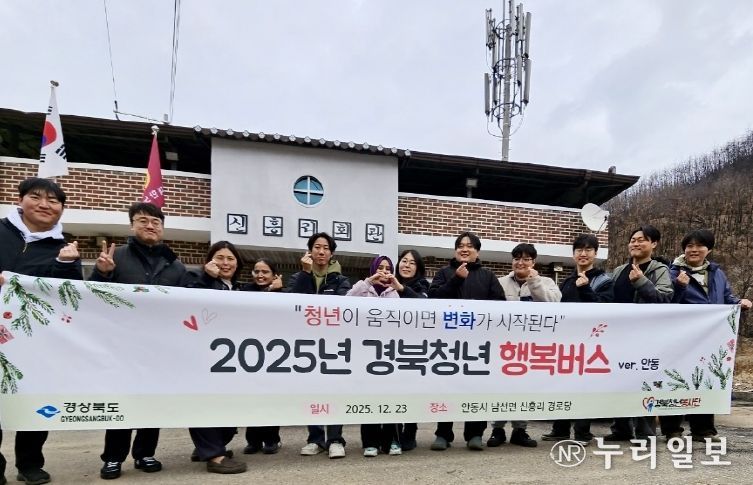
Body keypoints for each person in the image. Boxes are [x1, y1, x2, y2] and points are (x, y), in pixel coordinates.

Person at [90, 202, 187, 480]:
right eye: (143, 220)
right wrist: (102, 273)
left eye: (156, 222)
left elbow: (187, 301)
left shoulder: (175, 264)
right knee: (123, 400)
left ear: (162, 228)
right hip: (122, 344)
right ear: (132, 225)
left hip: (159, 347)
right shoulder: (116, 256)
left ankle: (145, 453)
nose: (150, 226)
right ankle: (113, 457)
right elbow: (94, 296)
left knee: (152, 402)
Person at [0, 177, 82, 485]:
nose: (45, 205)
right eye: (36, 197)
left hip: (34, 337)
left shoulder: (65, 247)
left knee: (35, 399)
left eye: (53, 200)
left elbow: (71, 294)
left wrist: (65, 264)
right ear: (20, 200)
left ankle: (30, 464)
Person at [659, 229, 751, 442]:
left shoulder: (717, 273)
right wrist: (680, 286)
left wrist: (739, 303)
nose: (694, 249)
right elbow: (666, 303)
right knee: (676, 380)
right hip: (680, 339)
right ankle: (672, 429)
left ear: (708, 249)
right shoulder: (672, 273)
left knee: (706, 380)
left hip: (710, 338)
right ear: (684, 249)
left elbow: (726, 297)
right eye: (689, 246)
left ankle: (703, 430)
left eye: (699, 246)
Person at [428, 232, 506, 451]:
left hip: (478, 345)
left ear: (477, 252)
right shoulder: (444, 273)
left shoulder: (488, 276)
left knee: (477, 389)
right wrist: (456, 279)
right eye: (460, 246)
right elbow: (432, 300)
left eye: (470, 246)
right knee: (446, 388)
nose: (464, 249)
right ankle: (443, 433)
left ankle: (475, 434)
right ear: (455, 251)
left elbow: (500, 306)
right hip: (447, 344)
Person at [181, 241, 248, 474]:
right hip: (202, 355)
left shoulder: (238, 288)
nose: (225, 263)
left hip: (229, 357)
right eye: (220, 257)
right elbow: (185, 301)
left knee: (228, 407)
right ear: (209, 260)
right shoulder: (196, 278)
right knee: (205, 403)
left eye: (230, 258)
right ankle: (214, 456)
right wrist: (206, 278)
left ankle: (208, 447)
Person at [540, 234, 613, 445]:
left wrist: (586, 288)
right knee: (563, 386)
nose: (583, 253)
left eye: (588, 249)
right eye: (579, 250)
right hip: (567, 343)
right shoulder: (567, 281)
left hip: (592, 344)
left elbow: (606, 310)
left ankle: (582, 433)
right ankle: (560, 430)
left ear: (595, 254)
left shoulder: (604, 280)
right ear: (573, 254)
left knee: (584, 388)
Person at [285, 232, 351, 459]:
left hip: (333, 346)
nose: (321, 252)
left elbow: (343, 309)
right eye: (317, 247)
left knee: (335, 392)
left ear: (331, 253)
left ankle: (335, 439)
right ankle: (315, 439)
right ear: (309, 251)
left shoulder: (341, 281)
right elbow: (292, 305)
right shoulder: (297, 277)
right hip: (306, 346)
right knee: (310, 392)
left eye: (325, 248)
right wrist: (305, 274)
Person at [488, 243, 560, 448]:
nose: (521, 262)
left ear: (533, 262)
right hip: (503, 347)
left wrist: (534, 282)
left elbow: (554, 305)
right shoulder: (500, 282)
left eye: (526, 259)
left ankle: (520, 430)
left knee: (525, 388)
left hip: (531, 348)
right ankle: (497, 429)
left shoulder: (547, 282)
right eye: (517, 258)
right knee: (500, 388)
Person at [606, 224, 673, 442]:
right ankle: (621, 429)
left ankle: (645, 433)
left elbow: (665, 299)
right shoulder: (619, 271)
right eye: (633, 240)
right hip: (619, 337)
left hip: (646, 338)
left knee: (645, 384)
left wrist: (641, 281)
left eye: (641, 239)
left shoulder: (659, 270)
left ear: (654, 244)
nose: (635, 243)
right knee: (619, 382)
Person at [346, 256, 402, 457]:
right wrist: (368, 282)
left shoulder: (395, 293)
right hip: (365, 352)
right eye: (380, 267)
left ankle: (391, 441)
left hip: (389, 352)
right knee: (369, 397)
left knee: (391, 396)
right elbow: (345, 301)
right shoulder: (363, 289)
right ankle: (370, 442)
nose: (384, 272)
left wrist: (397, 287)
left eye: (388, 268)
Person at [241, 258, 283, 455]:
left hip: (274, 354)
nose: (260, 275)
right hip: (250, 353)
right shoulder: (245, 291)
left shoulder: (282, 294)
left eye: (265, 272)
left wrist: (275, 292)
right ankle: (253, 441)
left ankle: (272, 439)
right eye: (256, 271)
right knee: (252, 399)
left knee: (271, 398)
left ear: (274, 275)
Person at [392, 249, 430, 450]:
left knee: (411, 391)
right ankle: (394, 433)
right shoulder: (388, 282)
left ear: (418, 268)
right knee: (393, 391)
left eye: (412, 263)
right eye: (404, 261)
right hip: (390, 346)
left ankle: (410, 431)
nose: (406, 265)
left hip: (413, 347)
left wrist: (401, 289)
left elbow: (424, 305)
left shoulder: (422, 285)